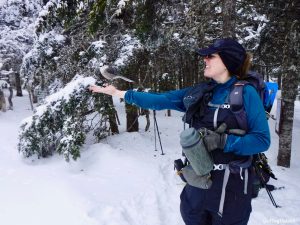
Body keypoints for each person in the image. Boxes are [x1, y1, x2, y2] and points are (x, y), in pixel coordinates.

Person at [89, 38, 270, 225]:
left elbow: (262, 140)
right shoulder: (202, 92)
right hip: (197, 184)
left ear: (227, 61)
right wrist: (118, 93)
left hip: (231, 189)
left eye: (211, 56)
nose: (205, 60)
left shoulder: (246, 93)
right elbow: (161, 99)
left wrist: (223, 141)